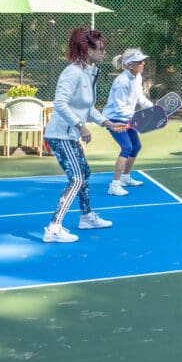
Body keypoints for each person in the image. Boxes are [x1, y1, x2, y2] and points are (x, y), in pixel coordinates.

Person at [42, 28, 128, 243]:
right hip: (60, 135)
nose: (104, 52)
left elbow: (87, 107)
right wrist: (80, 126)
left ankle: (87, 217)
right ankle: (54, 228)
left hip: (70, 134)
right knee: (77, 178)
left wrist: (107, 123)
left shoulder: (89, 73)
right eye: (100, 48)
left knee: (85, 173)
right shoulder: (72, 73)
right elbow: (60, 103)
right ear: (87, 49)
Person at [103, 48, 154, 196]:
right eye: (139, 62)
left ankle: (125, 177)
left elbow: (140, 98)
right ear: (129, 65)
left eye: (143, 61)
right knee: (126, 147)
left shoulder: (137, 77)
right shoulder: (121, 82)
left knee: (136, 146)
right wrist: (139, 115)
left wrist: (152, 109)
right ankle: (114, 185)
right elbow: (119, 109)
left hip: (128, 117)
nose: (143, 63)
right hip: (115, 119)